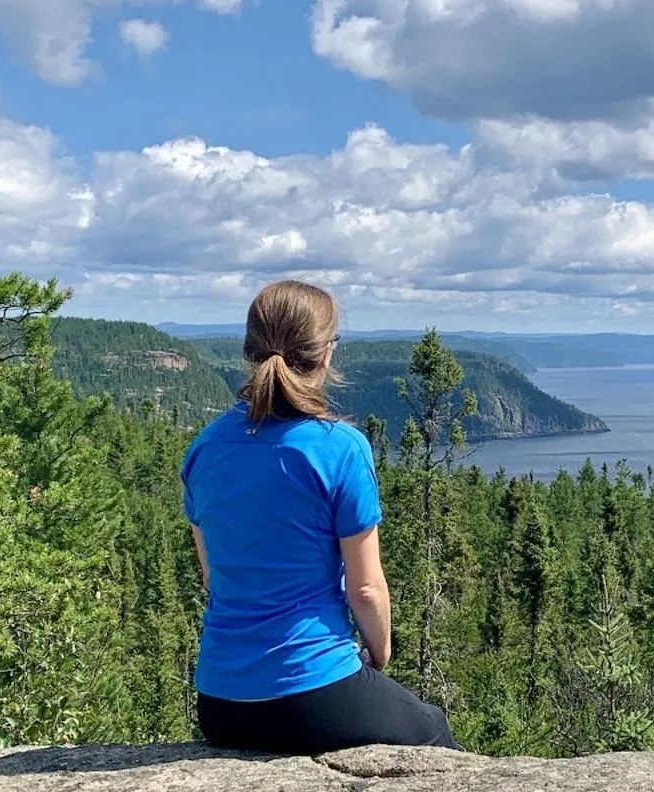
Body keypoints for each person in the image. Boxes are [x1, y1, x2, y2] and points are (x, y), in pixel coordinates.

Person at [180, 279, 461, 754]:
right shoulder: (339, 449)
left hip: (220, 704)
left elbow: (213, 578)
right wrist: (380, 652)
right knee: (432, 732)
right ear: (326, 354)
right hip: (313, 690)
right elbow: (366, 588)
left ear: (250, 351)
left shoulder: (205, 448)